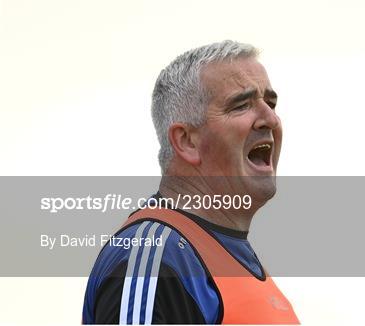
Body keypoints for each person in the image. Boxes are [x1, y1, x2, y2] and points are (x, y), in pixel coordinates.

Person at [82, 41, 299, 324]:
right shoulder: (156, 258)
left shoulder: (234, 260)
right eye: (241, 105)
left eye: (270, 103)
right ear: (186, 141)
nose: (270, 118)